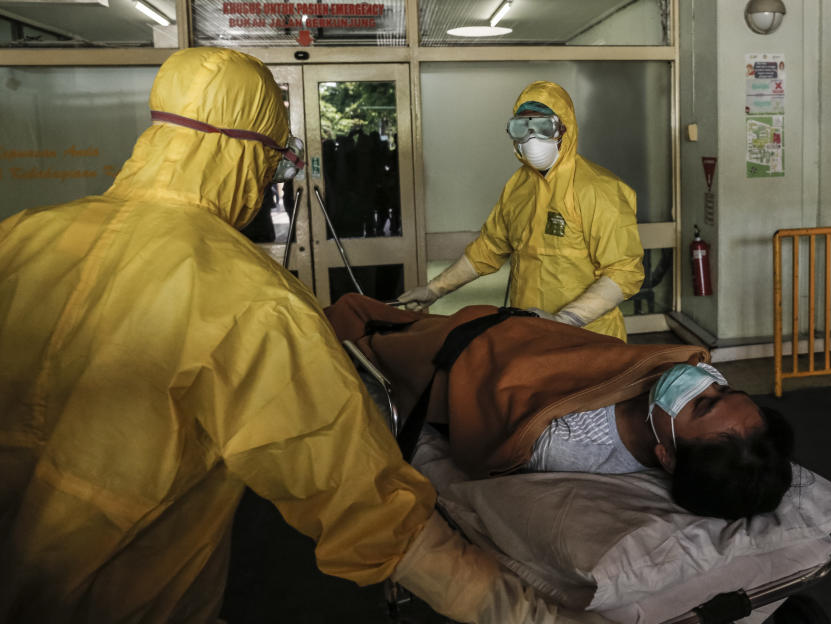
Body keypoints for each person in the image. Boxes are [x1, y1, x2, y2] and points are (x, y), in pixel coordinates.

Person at [0, 48, 608, 624]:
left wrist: (568, 321)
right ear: (246, 152)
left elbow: (624, 272)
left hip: (584, 344)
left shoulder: (20, 237)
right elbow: (370, 512)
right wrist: (537, 615)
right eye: (273, 156)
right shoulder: (247, 299)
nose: (273, 174)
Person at [326, 294, 795, 521]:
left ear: (666, 457)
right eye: (724, 388)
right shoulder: (657, 387)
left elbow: (502, 391)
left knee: (367, 333)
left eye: (701, 405)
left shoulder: (564, 446)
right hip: (517, 325)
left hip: (470, 354)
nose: (701, 381)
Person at [397, 81, 645, 342]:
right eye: (521, 128)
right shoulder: (518, 186)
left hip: (589, 340)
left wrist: (564, 320)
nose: (532, 138)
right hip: (528, 334)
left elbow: (624, 272)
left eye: (543, 127)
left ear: (564, 128)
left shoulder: (598, 189)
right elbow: (488, 249)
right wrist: (434, 290)